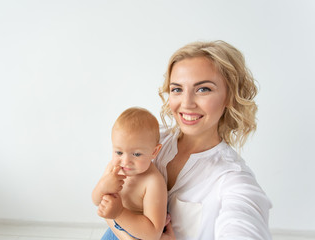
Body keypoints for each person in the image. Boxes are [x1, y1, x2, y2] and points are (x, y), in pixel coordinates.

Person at [154, 40, 272, 240]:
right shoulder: (154, 139)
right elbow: (110, 199)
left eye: (203, 89)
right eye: (177, 89)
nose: (186, 103)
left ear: (229, 97)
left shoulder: (233, 179)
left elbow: (243, 222)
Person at [92, 107, 168, 240]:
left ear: (154, 152)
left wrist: (119, 213)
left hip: (137, 235)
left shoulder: (153, 182)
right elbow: (96, 201)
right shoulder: (112, 168)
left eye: (136, 154)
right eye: (119, 152)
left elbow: (154, 234)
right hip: (114, 230)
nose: (126, 161)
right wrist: (102, 187)